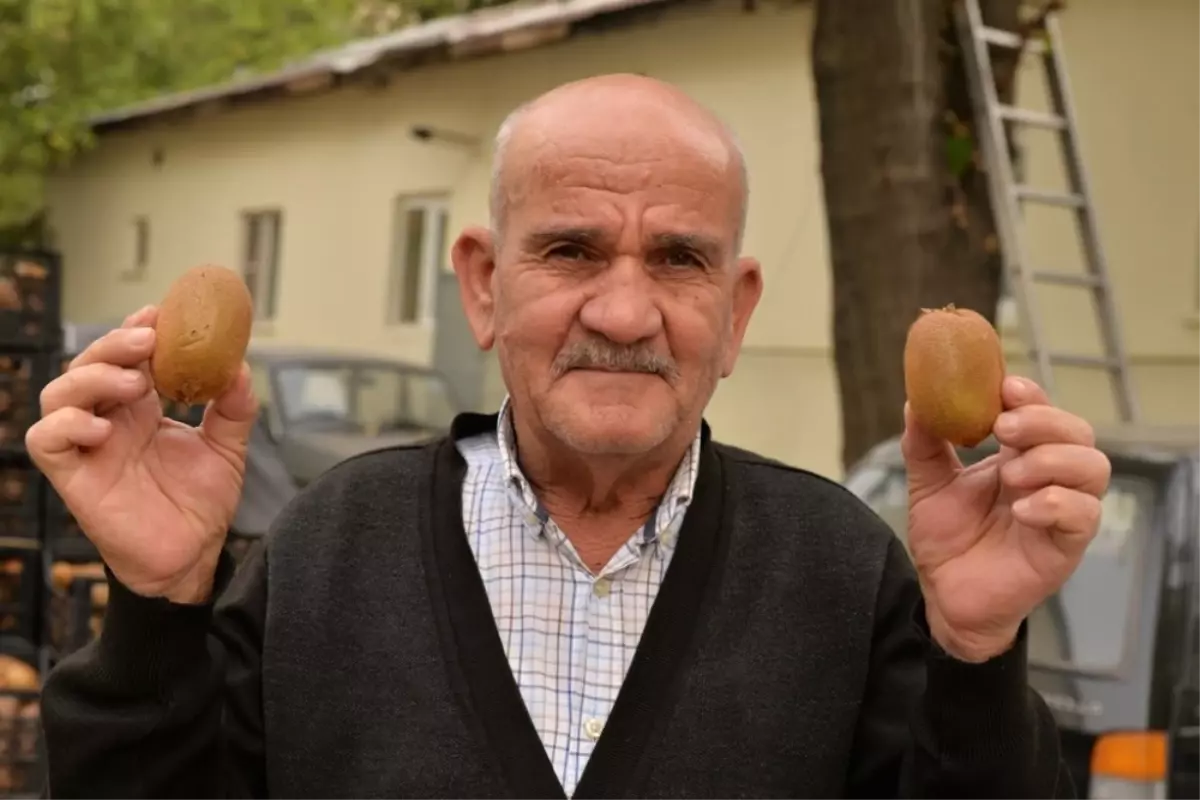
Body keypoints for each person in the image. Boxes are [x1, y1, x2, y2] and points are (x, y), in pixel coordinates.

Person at [28, 74, 1109, 800]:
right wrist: (157, 608)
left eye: (679, 260)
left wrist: (975, 658)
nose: (625, 314)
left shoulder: (838, 568)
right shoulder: (324, 549)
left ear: (736, 312)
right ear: (484, 284)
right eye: (572, 250)